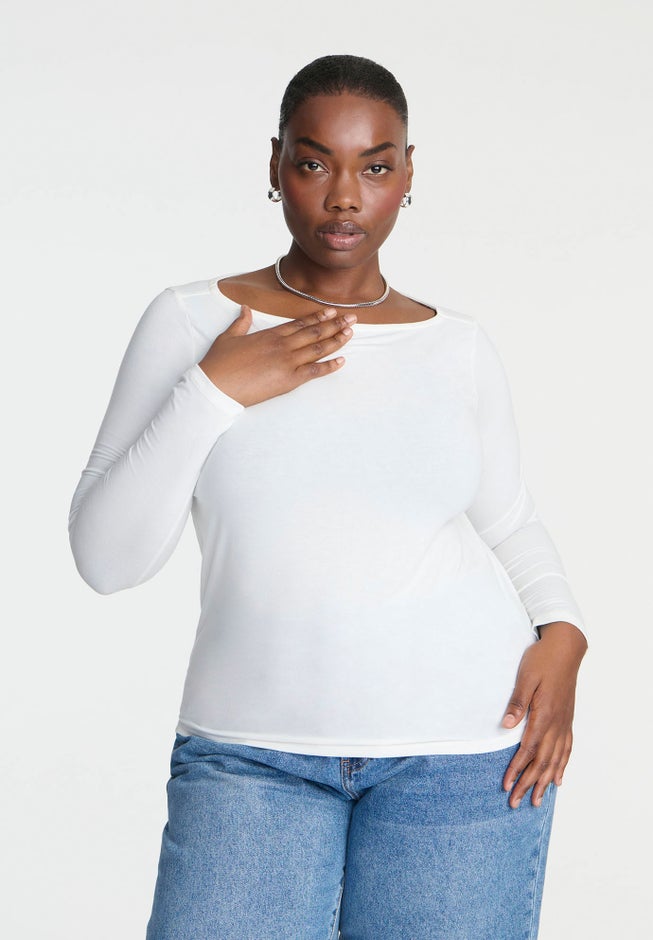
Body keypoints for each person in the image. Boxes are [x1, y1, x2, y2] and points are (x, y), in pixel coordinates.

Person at [68, 54, 588, 940]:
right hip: (250, 759)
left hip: (461, 758)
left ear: (407, 175)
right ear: (275, 164)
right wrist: (213, 390)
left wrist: (565, 635)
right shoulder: (193, 321)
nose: (344, 196)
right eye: (314, 163)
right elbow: (104, 559)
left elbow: (509, 519)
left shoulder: (455, 346)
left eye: (374, 167)